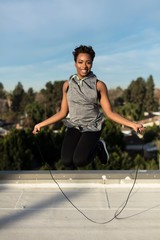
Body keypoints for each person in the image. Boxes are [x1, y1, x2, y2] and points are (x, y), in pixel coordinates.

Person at [32, 45, 144, 168]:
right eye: (80, 62)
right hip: (75, 125)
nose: (84, 66)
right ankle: (94, 146)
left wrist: (132, 124)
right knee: (67, 161)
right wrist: (40, 124)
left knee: (80, 160)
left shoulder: (99, 85)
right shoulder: (67, 85)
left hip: (93, 126)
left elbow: (110, 113)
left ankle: (98, 146)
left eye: (88, 62)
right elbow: (63, 113)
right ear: (75, 63)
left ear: (92, 64)